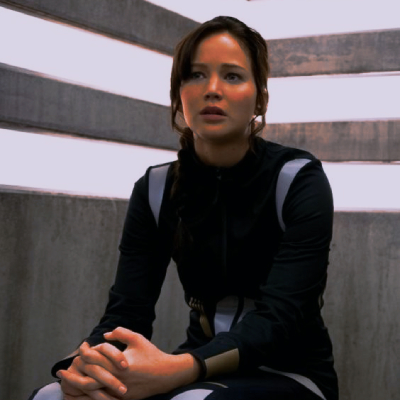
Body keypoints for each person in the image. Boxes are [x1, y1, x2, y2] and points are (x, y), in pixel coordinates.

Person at [29, 16, 338, 400]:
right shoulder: (156, 188)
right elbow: (126, 314)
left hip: (292, 374)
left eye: (232, 76)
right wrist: (84, 363)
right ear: (179, 95)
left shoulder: (297, 179)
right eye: (195, 75)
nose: (212, 89)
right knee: (54, 396)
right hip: (192, 368)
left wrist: (178, 369)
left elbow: (280, 319)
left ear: (260, 99)